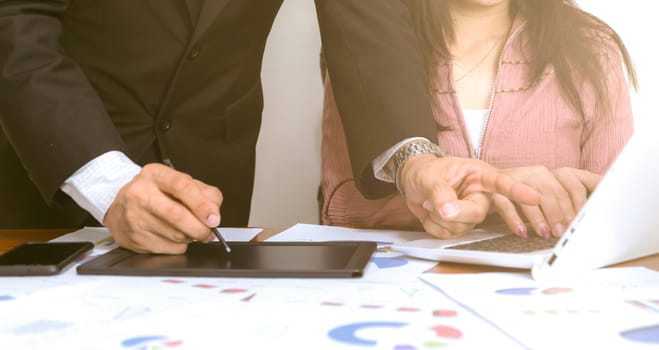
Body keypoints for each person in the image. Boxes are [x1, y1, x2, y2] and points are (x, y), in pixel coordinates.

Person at [0, 1, 540, 254]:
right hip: (52, 169)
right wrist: (105, 179)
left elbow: (363, 17)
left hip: (208, 188)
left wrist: (415, 158)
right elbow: (14, 17)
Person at [321, 0, 637, 239]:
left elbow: (620, 210)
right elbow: (340, 207)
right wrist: (472, 199)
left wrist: (502, 196)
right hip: (399, 298)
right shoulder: (367, 46)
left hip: (542, 294)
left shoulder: (592, 49)